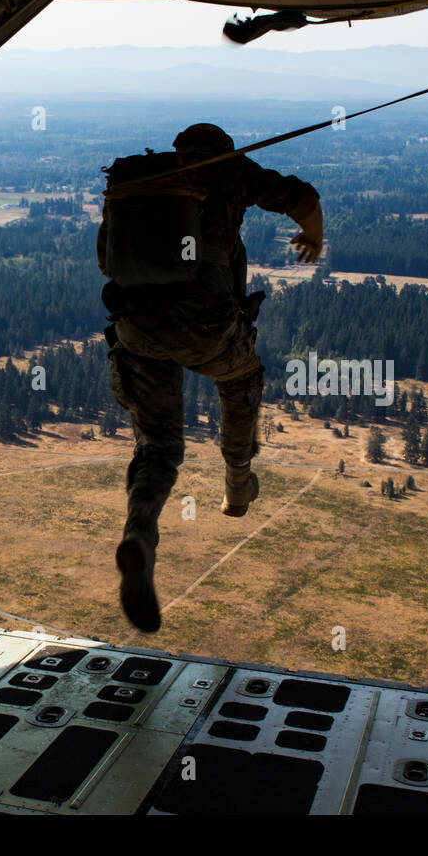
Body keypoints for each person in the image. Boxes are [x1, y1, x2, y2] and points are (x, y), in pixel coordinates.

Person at [98, 123, 323, 632]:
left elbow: (105, 260)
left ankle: (139, 531)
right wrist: (313, 236)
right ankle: (238, 487)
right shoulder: (229, 171)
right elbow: (302, 197)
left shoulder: (135, 184)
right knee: (241, 383)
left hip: (137, 327)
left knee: (158, 447)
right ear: (223, 150)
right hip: (207, 324)